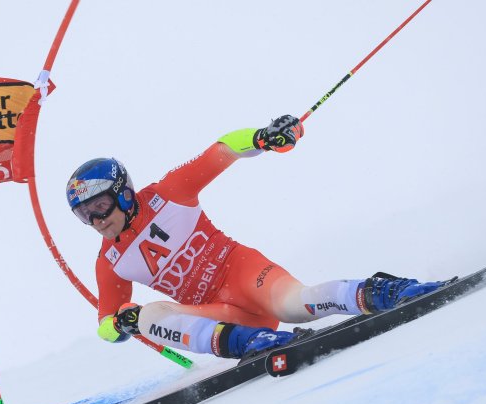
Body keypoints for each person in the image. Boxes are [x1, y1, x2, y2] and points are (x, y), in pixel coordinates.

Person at [66, 115, 446, 359]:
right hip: (222, 319)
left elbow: (225, 148)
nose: (96, 220)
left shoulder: (168, 192)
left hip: (244, 274)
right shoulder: (109, 261)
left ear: (123, 192)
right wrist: (121, 324)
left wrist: (264, 137)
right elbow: (104, 324)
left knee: (297, 305)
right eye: (84, 214)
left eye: (98, 206)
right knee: (149, 316)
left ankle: (383, 291)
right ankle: (249, 343)